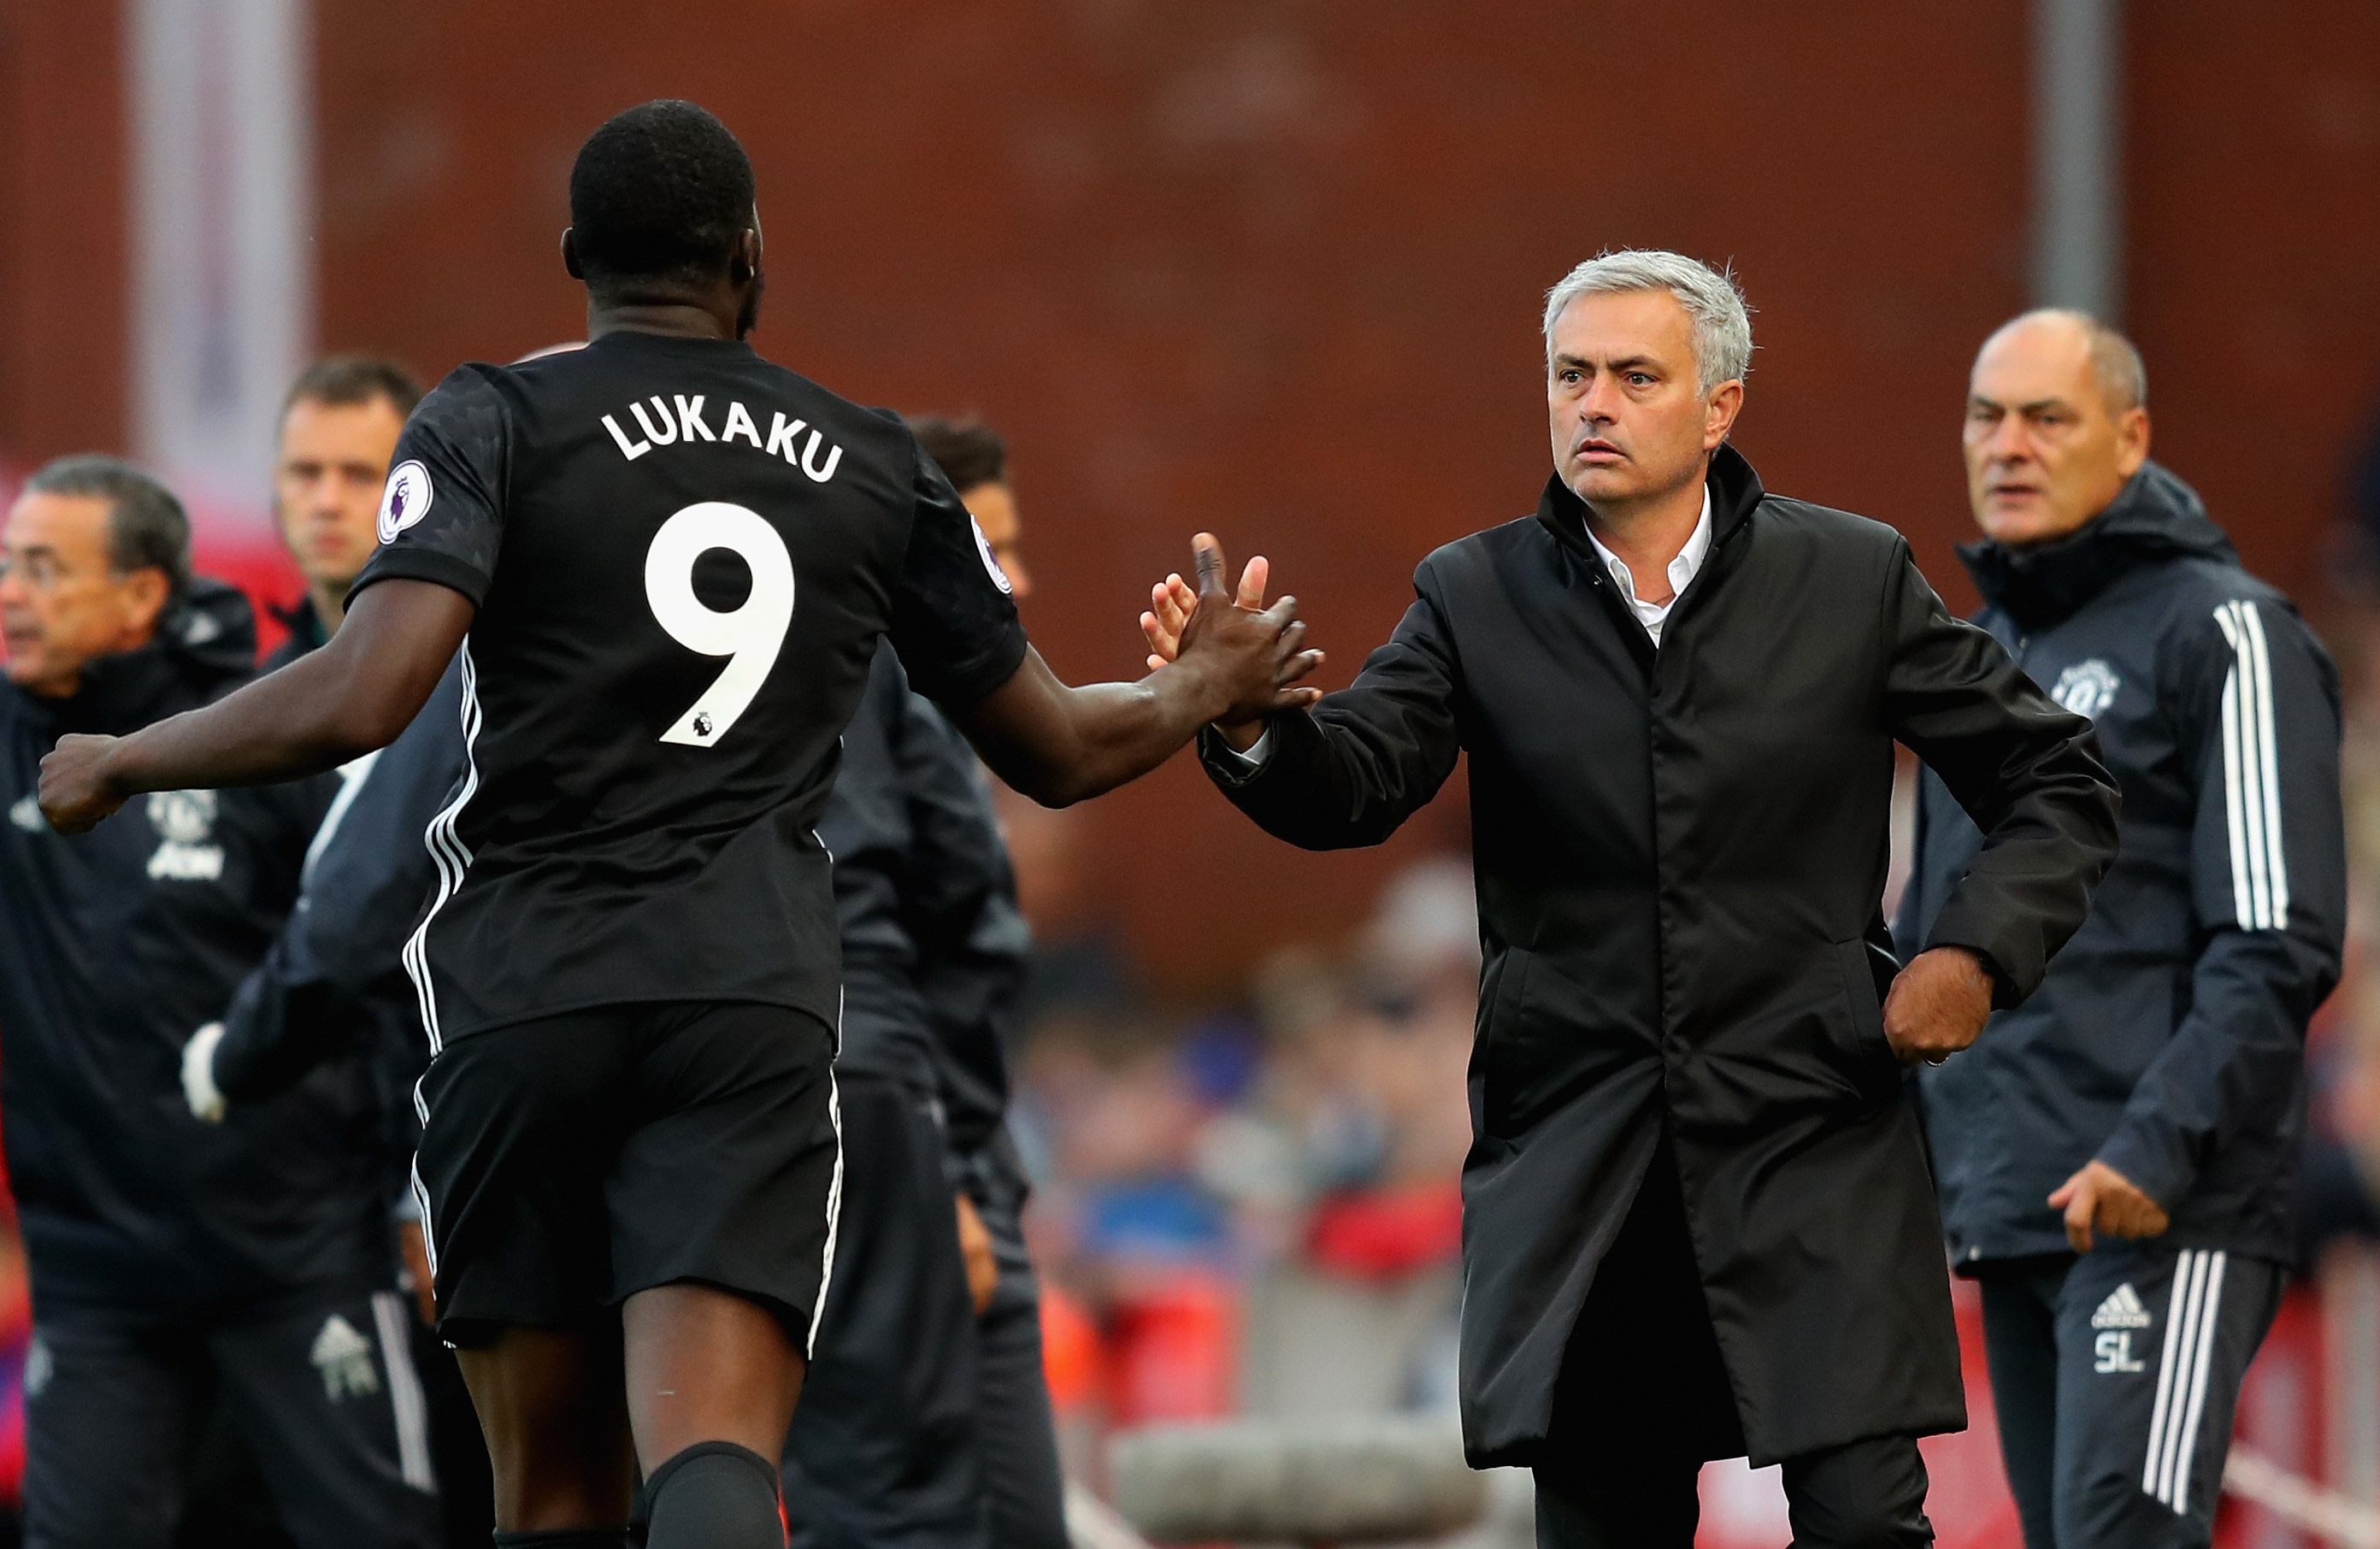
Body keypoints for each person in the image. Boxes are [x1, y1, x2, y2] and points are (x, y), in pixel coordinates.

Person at [36, 99, 1313, 1549]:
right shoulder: (874, 461)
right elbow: (1060, 749)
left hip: (521, 997)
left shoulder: (490, 417)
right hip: (745, 998)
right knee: (709, 1451)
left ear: (576, 256)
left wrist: (126, 757)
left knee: (555, 1494)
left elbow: (363, 692)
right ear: (750, 258)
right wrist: (1206, 678)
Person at [1140, 249, 2122, 1547]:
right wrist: (1251, 721)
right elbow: (1358, 781)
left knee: (1869, 1528)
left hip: (1808, 1139)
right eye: (1570, 375)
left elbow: (2058, 776)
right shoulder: (1472, 595)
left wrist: (1976, 956)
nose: (1592, 403)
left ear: (1717, 407)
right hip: (1581, 1168)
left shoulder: (1852, 579)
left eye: (1633, 376)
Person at [1897, 310, 2346, 1548]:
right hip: (2016, 1205)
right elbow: (1930, 959)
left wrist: (2155, 1150)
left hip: (2162, 1202)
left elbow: (2277, 939)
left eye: (2050, 417)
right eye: (1989, 416)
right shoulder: (1973, 662)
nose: (2010, 445)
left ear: (2132, 438)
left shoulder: (2229, 631)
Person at [0, 456, 440, 1549]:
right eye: (7, 566)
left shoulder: (256, 733)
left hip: (293, 1252)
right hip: (97, 1274)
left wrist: (416, 1190)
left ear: (142, 594)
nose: (11, 593)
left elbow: (377, 966)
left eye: (46, 571)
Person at [781, 415, 1066, 1549]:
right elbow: (887, 947)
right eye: (991, 552)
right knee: (937, 1516)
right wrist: (935, 1176)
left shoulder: (940, 718)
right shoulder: (868, 695)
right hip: (912, 1160)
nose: (1019, 581)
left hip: (947, 1159)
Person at [264, 356, 424, 667]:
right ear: (276, 484)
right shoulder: (262, 689)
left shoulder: (475, 679)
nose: (328, 503)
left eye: (360, 475)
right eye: (306, 473)